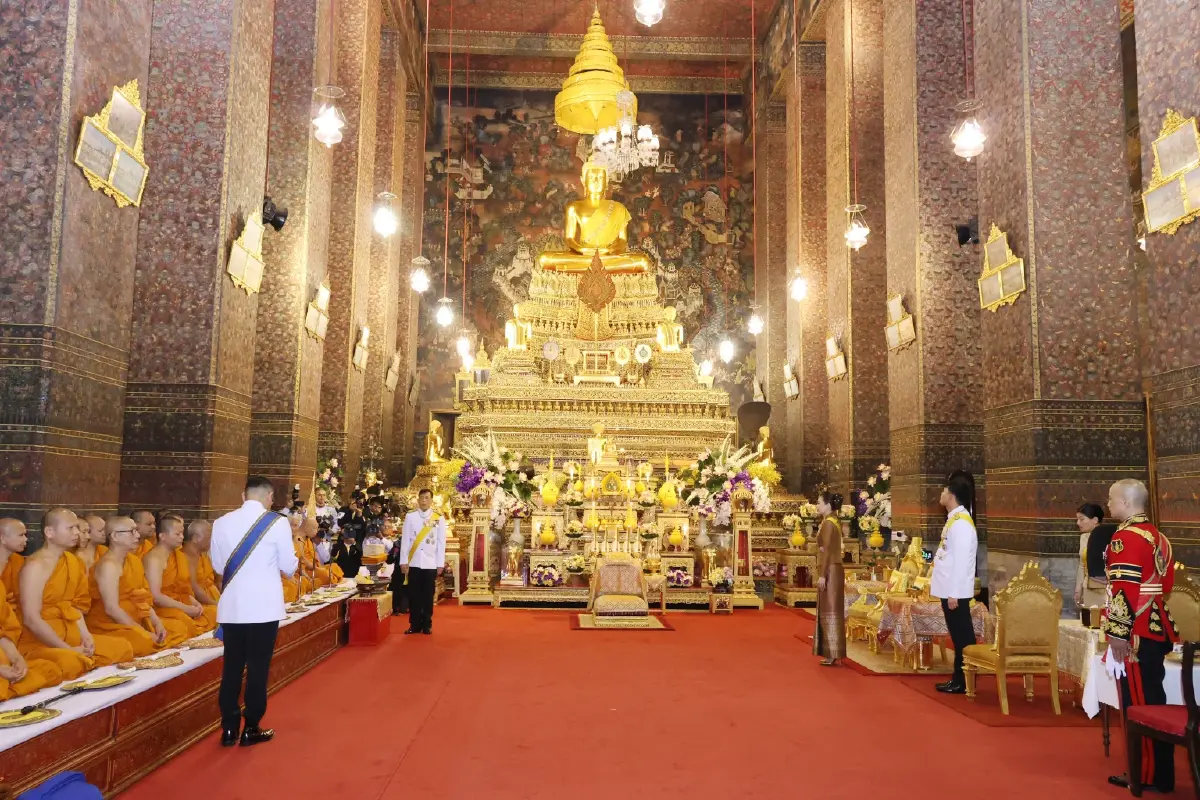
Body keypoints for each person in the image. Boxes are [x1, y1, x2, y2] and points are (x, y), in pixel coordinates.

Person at [210, 475, 298, 747]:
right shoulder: (278, 522)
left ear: (243, 495)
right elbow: (289, 565)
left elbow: (216, 566)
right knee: (258, 668)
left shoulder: (221, 522)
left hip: (233, 608)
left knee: (232, 667)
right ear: (269, 497)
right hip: (263, 609)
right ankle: (252, 727)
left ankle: (228, 728)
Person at [1103, 479, 1178, 793]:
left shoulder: (1125, 537)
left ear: (1124, 501)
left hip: (1135, 632)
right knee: (1155, 700)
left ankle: (1144, 772)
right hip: (1156, 625)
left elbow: (1123, 588)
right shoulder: (1158, 536)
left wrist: (1118, 632)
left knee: (1139, 705)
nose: (1108, 505)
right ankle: (1162, 773)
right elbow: (1167, 584)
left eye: (1111, 499)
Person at [18, 508, 135, 680]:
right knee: (71, 663)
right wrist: (66, 648)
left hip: (71, 633)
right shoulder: (35, 566)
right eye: (70, 528)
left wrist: (86, 636)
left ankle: (84, 661)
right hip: (40, 640)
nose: (77, 533)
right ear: (49, 532)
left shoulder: (72, 561)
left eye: (77, 528)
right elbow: (31, 619)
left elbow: (74, 607)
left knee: (123, 647)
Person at [87, 516, 183, 655]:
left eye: (136, 531)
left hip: (137, 618)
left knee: (177, 628)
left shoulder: (133, 561)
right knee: (141, 643)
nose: (137, 535)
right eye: (132, 531)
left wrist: (156, 622)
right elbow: (111, 609)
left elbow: (142, 597)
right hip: (109, 625)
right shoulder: (108, 565)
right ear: (115, 536)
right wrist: (141, 631)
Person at [932, 470, 979, 695]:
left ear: (951, 495)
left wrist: (954, 593)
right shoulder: (955, 520)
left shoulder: (961, 524)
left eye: (943, 490)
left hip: (956, 592)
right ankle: (959, 678)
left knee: (963, 637)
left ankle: (964, 679)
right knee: (958, 635)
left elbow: (962, 562)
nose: (940, 494)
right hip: (951, 589)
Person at [145, 513, 214, 637]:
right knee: (183, 626)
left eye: (182, 533)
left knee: (214, 613)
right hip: (162, 608)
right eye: (177, 534)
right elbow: (155, 597)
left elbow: (182, 588)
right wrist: (186, 608)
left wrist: (195, 604)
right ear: (162, 536)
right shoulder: (154, 559)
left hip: (180, 603)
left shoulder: (178, 555)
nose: (182, 537)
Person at [399, 488, 447, 635]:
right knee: (414, 595)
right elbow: (405, 540)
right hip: (413, 562)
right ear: (418, 499)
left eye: (427, 498)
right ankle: (414, 624)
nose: (424, 500)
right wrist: (403, 561)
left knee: (427, 595)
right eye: (422, 498)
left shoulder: (438, 518)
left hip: (430, 562)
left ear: (431, 500)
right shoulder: (410, 516)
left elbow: (440, 542)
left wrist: (440, 564)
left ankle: (427, 624)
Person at [812, 490, 845, 666]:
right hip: (834, 569)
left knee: (830, 610)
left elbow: (827, 552)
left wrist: (822, 575)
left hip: (830, 570)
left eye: (819, 502)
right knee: (832, 610)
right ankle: (833, 651)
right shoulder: (832, 521)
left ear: (828, 505)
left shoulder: (828, 524)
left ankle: (832, 651)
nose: (816, 505)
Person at [1075, 502, 1115, 610]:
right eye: (1077, 519)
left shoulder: (1108, 536)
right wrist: (1078, 588)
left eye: (1082, 519)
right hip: (1088, 588)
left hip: (1105, 588)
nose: (1078, 523)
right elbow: (1082, 565)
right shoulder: (1083, 538)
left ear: (1095, 520)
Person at [184, 520, 221, 607]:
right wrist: (217, 605)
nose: (211, 541)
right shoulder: (186, 556)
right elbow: (194, 588)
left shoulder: (202, 555)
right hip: (200, 603)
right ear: (196, 538)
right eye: (209, 537)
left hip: (214, 598)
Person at [0, 518, 28, 603]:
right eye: (21, 535)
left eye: (25, 535)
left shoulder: (18, 561)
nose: (25, 539)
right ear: (3, 538)